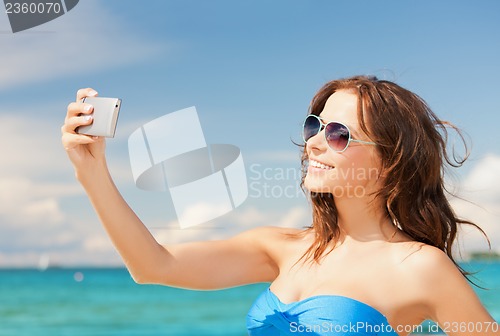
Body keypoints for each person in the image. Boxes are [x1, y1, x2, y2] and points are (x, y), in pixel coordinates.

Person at [61, 75, 498, 335]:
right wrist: (91, 171)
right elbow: (153, 266)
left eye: (338, 134)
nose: (313, 142)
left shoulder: (420, 267)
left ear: (388, 163)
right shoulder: (282, 247)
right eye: (315, 126)